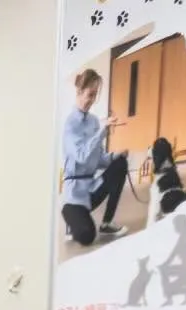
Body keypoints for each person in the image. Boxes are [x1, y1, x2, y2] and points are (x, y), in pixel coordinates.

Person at [62, 68, 129, 247]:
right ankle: (71, 219)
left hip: (91, 190)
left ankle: (107, 223)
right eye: (90, 95)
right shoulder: (70, 124)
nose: (92, 101)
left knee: (120, 163)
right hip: (74, 196)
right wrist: (102, 131)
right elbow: (82, 157)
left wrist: (116, 155)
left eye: (95, 95)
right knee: (86, 237)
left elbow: (98, 160)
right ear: (79, 92)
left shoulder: (93, 121)